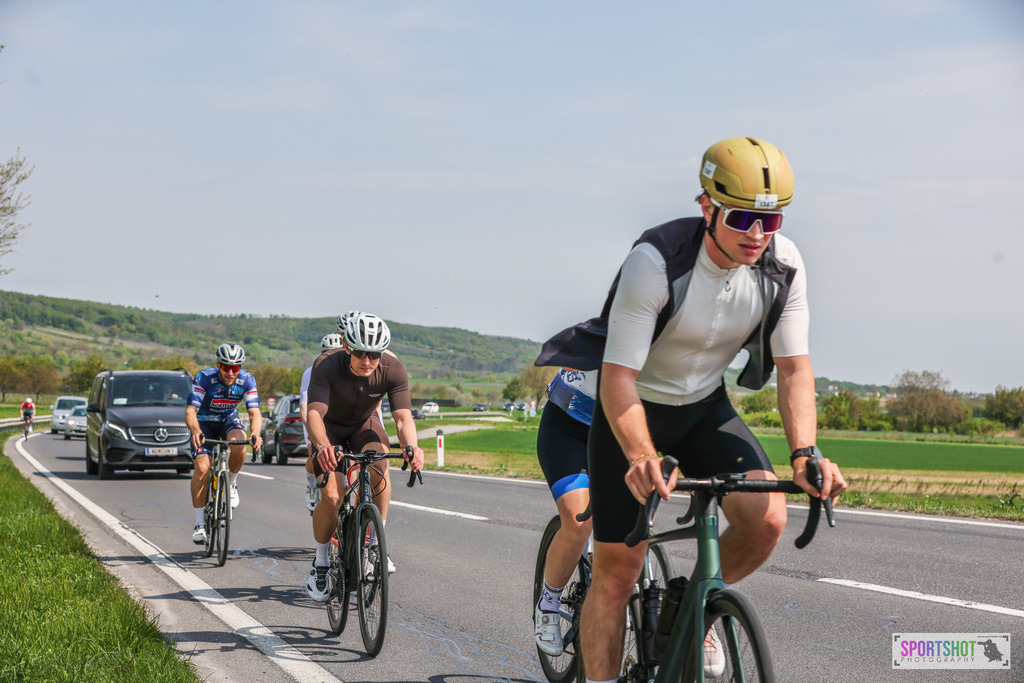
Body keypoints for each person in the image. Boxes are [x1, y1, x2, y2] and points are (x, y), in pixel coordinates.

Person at [536, 137, 847, 681]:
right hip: (633, 410)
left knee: (769, 518)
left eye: (770, 222)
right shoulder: (654, 264)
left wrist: (805, 452)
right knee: (617, 573)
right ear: (706, 207)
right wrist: (639, 454)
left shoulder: (784, 266)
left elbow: (795, 368)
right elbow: (617, 379)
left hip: (704, 406)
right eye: (743, 217)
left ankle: (694, 602)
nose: (757, 234)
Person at [304, 312, 425, 602]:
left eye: (373, 354)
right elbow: (313, 413)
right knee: (332, 496)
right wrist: (322, 446)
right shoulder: (327, 365)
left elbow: (402, 417)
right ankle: (320, 563)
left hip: (364, 424)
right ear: (347, 346)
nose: (367, 361)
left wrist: (412, 446)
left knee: (380, 466)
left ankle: (373, 546)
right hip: (329, 428)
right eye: (360, 353)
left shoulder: (393, 369)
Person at [534, 367, 597, 656]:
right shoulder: (607, 334)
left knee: (641, 517)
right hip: (568, 430)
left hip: (620, 432)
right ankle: (548, 603)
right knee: (579, 521)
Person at [186, 343, 264, 545]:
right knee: (202, 467)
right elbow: (190, 412)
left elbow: (254, 413)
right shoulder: (204, 378)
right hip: (203, 423)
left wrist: (255, 433)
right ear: (218, 365)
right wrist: (195, 432)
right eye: (226, 367)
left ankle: (231, 482)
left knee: (239, 444)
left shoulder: (247, 380)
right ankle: (199, 523)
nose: (230, 372)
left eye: (235, 368)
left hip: (227, 419)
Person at [299, 331, 346, 513]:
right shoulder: (311, 371)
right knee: (314, 450)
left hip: (337, 418)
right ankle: (312, 485)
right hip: (314, 416)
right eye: (327, 353)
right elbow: (305, 405)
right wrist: (311, 430)